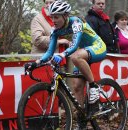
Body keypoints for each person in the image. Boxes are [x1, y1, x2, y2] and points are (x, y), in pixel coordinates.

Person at [25, 1, 106, 129]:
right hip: (83, 53)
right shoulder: (55, 30)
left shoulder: (76, 22)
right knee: (77, 87)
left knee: (75, 56)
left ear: (65, 16)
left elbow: (74, 45)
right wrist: (36, 63)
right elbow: (49, 53)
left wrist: (62, 55)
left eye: (56, 17)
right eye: (52, 17)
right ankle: (82, 122)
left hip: (97, 47)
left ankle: (94, 86)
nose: (53, 20)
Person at [30, 0, 70, 65]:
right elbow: (37, 40)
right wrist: (59, 41)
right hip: (42, 63)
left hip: (62, 59)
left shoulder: (64, 18)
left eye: (51, 2)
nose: (48, 5)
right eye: (46, 3)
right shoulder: (37, 19)